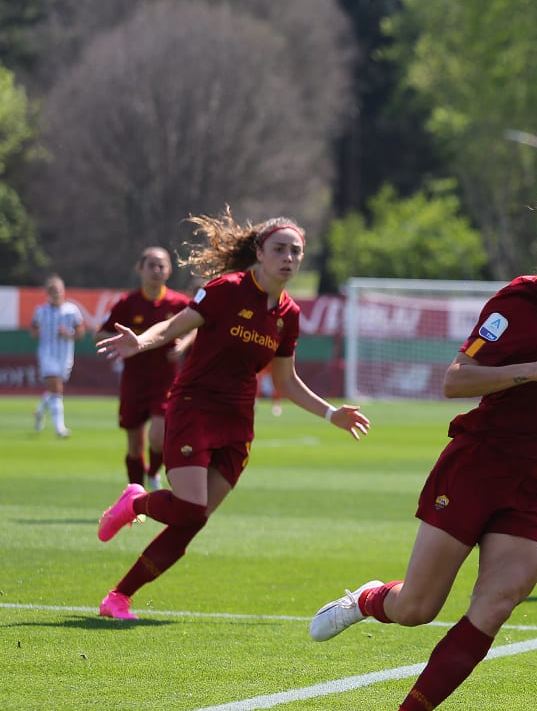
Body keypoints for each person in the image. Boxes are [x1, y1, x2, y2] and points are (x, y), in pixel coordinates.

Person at [306, 198, 537, 711]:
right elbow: (456, 380)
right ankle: (368, 599)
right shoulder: (515, 303)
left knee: (494, 606)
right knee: (417, 608)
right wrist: (532, 370)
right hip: (479, 466)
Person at [94, 211, 370, 621]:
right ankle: (136, 503)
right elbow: (174, 325)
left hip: (238, 421)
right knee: (189, 508)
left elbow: (287, 381)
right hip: (195, 407)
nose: (289, 258)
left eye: (296, 251)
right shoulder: (226, 289)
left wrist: (332, 414)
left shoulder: (289, 315)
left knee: (194, 520)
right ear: (259, 252)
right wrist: (143, 342)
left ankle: (119, 597)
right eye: (279, 249)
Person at [95, 248, 193, 490]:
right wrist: (124, 341)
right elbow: (100, 334)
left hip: (166, 381)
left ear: (169, 270)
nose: (157, 270)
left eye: (162, 266)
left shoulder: (180, 302)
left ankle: (153, 473)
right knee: (134, 444)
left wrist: (183, 345)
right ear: (140, 269)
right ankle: (135, 501)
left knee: (158, 439)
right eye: (151, 265)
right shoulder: (128, 303)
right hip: (134, 382)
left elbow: (197, 327)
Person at [30, 274, 86, 439]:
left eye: (59, 290)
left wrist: (68, 334)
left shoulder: (71, 310)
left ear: (64, 291)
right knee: (56, 389)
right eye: (53, 290)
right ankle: (60, 429)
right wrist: (39, 333)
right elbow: (33, 330)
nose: (57, 293)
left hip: (65, 355)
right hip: (47, 354)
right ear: (47, 293)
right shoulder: (41, 311)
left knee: (54, 390)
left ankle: (39, 412)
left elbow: (80, 333)